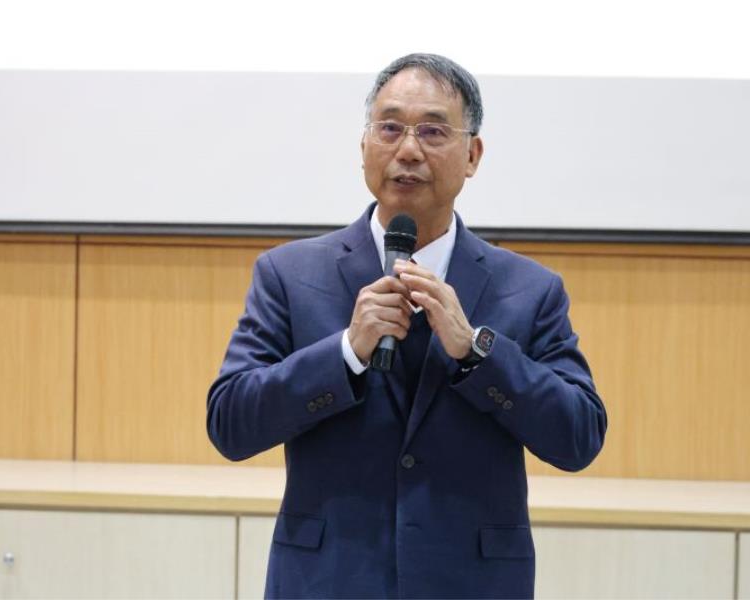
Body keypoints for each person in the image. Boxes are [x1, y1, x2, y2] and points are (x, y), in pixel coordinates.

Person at [207, 53, 606, 599]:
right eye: (390, 128)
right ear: (364, 147)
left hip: (471, 585)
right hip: (330, 582)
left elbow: (579, 437)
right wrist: (346, 352)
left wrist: (476, 352)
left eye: (434, 131)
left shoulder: (530, 289)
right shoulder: (289, 275)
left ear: (472, 155)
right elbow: (230, 424)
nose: (409, 150)